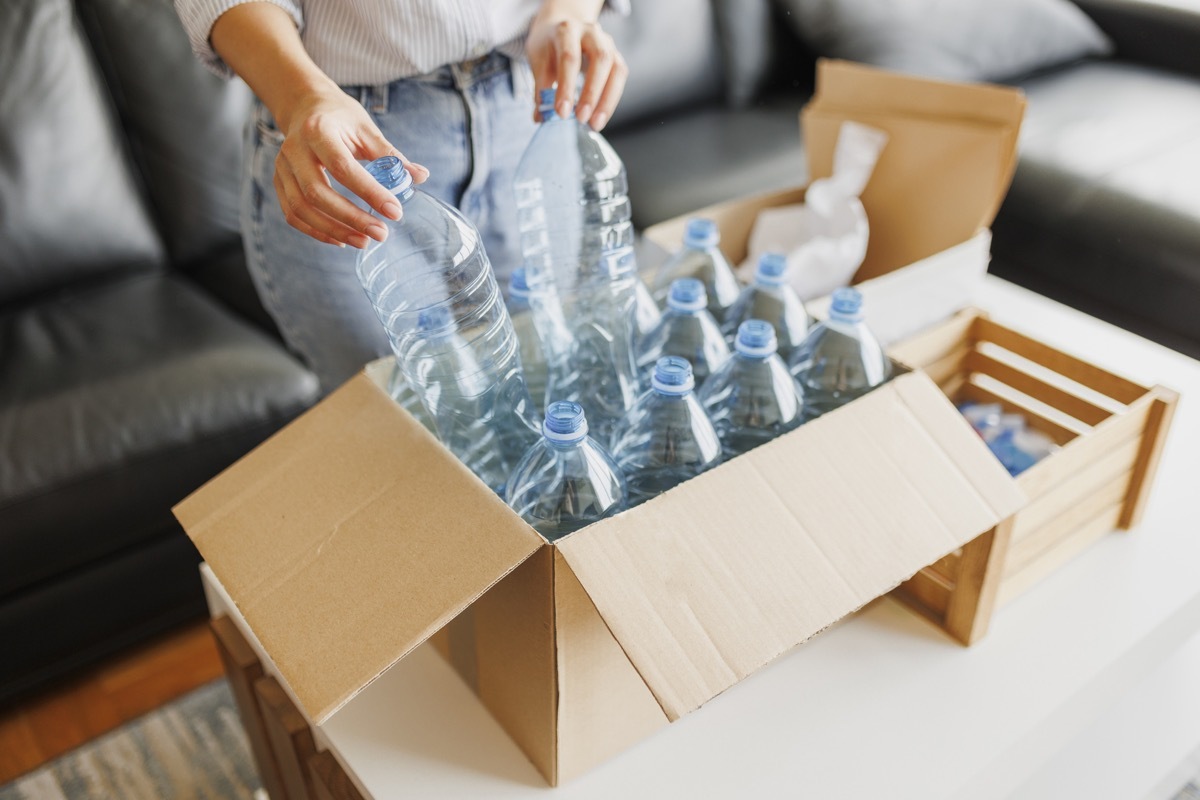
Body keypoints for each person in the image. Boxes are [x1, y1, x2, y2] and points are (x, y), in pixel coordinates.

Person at [175, 0, 630, 393]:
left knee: (549, 381)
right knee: (399, 431)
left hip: (530, 104)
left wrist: (569, 14)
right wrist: (301, 97)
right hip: (345, 138)